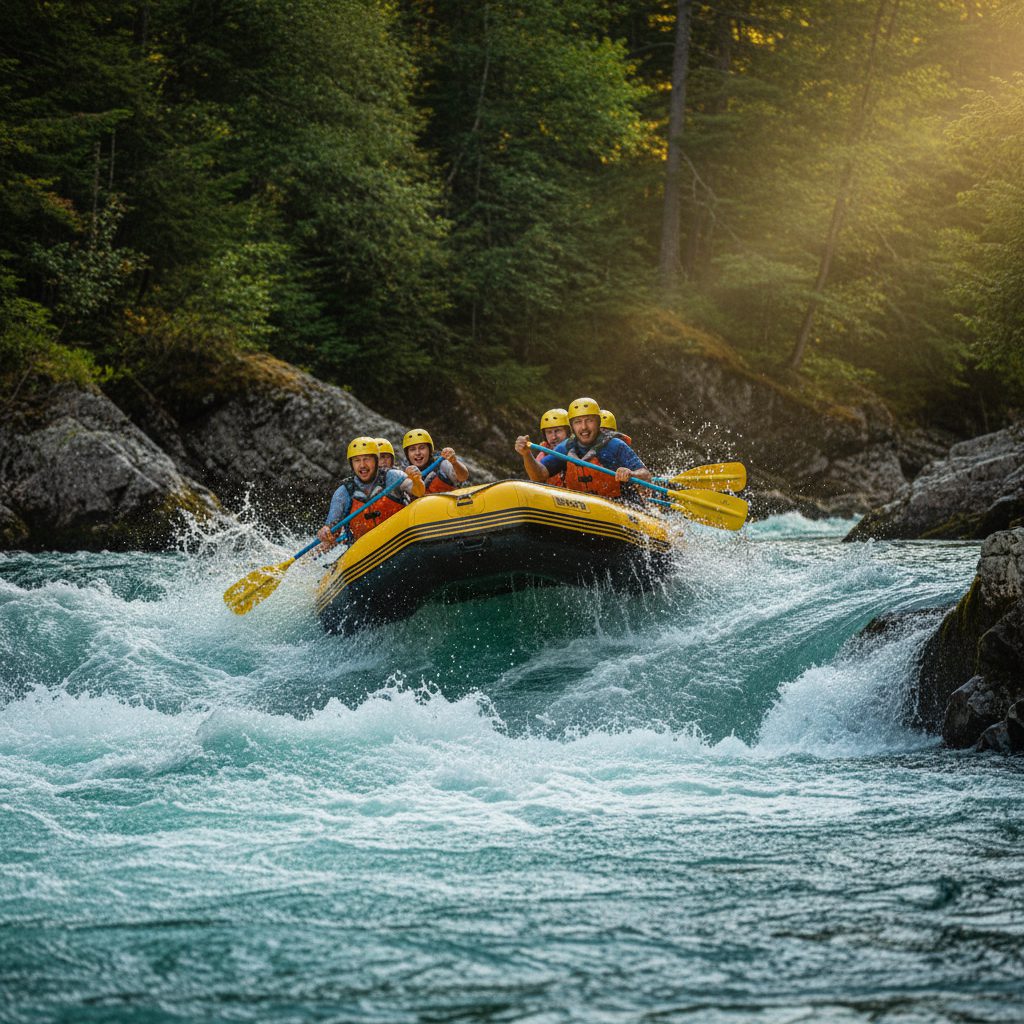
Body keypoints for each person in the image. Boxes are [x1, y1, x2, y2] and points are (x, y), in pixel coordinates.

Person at [514, 397, 652, 502]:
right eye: (578, 422)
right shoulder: (566, 447)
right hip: (584, 507)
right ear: (572, 427)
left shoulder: (614, 445)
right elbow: (540, 475)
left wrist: (631, 474)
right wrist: (526, 455)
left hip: (622, 505)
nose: (584, 427)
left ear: (598, 422)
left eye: (589, 420)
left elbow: (646, 475)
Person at [317, 436, 425, 549]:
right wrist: (325, 531)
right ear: (352, 464)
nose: (362, 465)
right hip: (364, 551)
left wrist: (416, 480)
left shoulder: (393, 476)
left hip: (401, 539)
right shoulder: (343, 492)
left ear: (376, 460)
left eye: (367, 459)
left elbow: (418, 492)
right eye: (357, 460)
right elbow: (331, 525)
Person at [402, 428, 469, 493]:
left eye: (422, 448)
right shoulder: (403, 475)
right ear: (407, 454)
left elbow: (463, 477)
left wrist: (454, 462)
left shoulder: (442, 464)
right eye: (412, 449)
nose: (417, 453)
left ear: (430, 450)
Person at [536, 408, 570, 486]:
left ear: (568, 432)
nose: (554, 437)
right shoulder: (542, 456)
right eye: (549, 432)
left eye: (558, 430)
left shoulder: (580, 451)